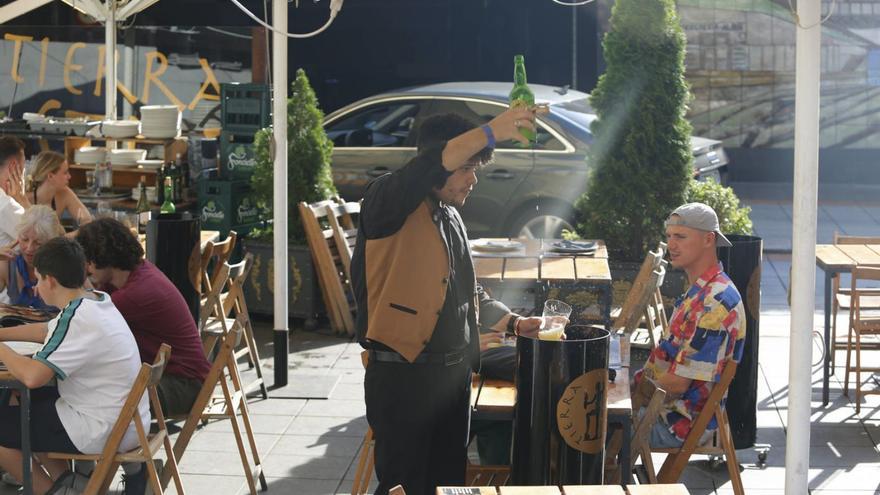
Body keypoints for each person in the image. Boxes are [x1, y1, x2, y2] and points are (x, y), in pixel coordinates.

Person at [351, 107, 545, 495]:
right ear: (439, 162)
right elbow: (433, 161)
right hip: (404, 378)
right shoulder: (387, 199)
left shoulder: (451, 215)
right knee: (404, 486)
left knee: (446, 485)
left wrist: (512, 322)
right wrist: (492, 131)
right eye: (465, 168)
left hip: (452, 379)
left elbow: (465, 291)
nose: (473, 180)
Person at [0, 237, 148, 495]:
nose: (36, 287)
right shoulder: (96, 300)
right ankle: (72, 482)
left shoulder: (77, 318)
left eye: (37, 279)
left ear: (51, 281)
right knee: (23, 401)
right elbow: (51, 329)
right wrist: (5, 334)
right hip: (128, 421)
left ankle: (57, 492)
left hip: (103, 427)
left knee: (15, 414)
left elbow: (33, 376)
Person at [633, 202, 746, 448]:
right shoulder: (703, 289)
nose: (671, 245)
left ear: (709, 239)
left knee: (585, 427)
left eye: (681, 237)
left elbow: (676, 384)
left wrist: (630, 397)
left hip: (675, 423)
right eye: (669, 236)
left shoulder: (716, 302)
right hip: (666, 411)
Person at [75, 218, 211, 417]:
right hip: (178, 378)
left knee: (91, 396)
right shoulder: (135, 273)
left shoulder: (132, 295)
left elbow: (82, 325)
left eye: (88, 261)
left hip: (184, 387)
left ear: (104, 257)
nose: (86, 269)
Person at [0, 205, 65, 310]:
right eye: (25, 239)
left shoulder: (66, 263)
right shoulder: (9, 262)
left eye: (38, 243)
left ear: (52, 242)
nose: (29, 248)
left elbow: (87, 304)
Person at [27, 151, 92, 228]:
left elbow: (87, 222)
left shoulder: (65, 193)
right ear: (50, 176)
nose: (69, 176)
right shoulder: (26, 199)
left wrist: (65, 237)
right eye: (65, 173)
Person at [0, 137, 28, 304]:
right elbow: (45, 238)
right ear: (14, 167)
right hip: (6, 301)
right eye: (23, 167)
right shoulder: (5, 205)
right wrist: (22, 199)